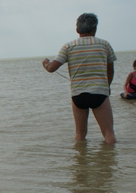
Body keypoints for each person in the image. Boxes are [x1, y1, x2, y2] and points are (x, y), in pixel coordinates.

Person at [43, 13, 117, 144]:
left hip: (78, 95)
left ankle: (80, 157)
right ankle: (110, 157)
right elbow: (110, 70)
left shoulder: (68, 46)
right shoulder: (104, 44)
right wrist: (108, 86)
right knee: (108, 133)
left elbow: (51, 68)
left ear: (77, 29)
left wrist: (45, 64)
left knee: (80, 134)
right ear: (95, 28)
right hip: (99, 92)